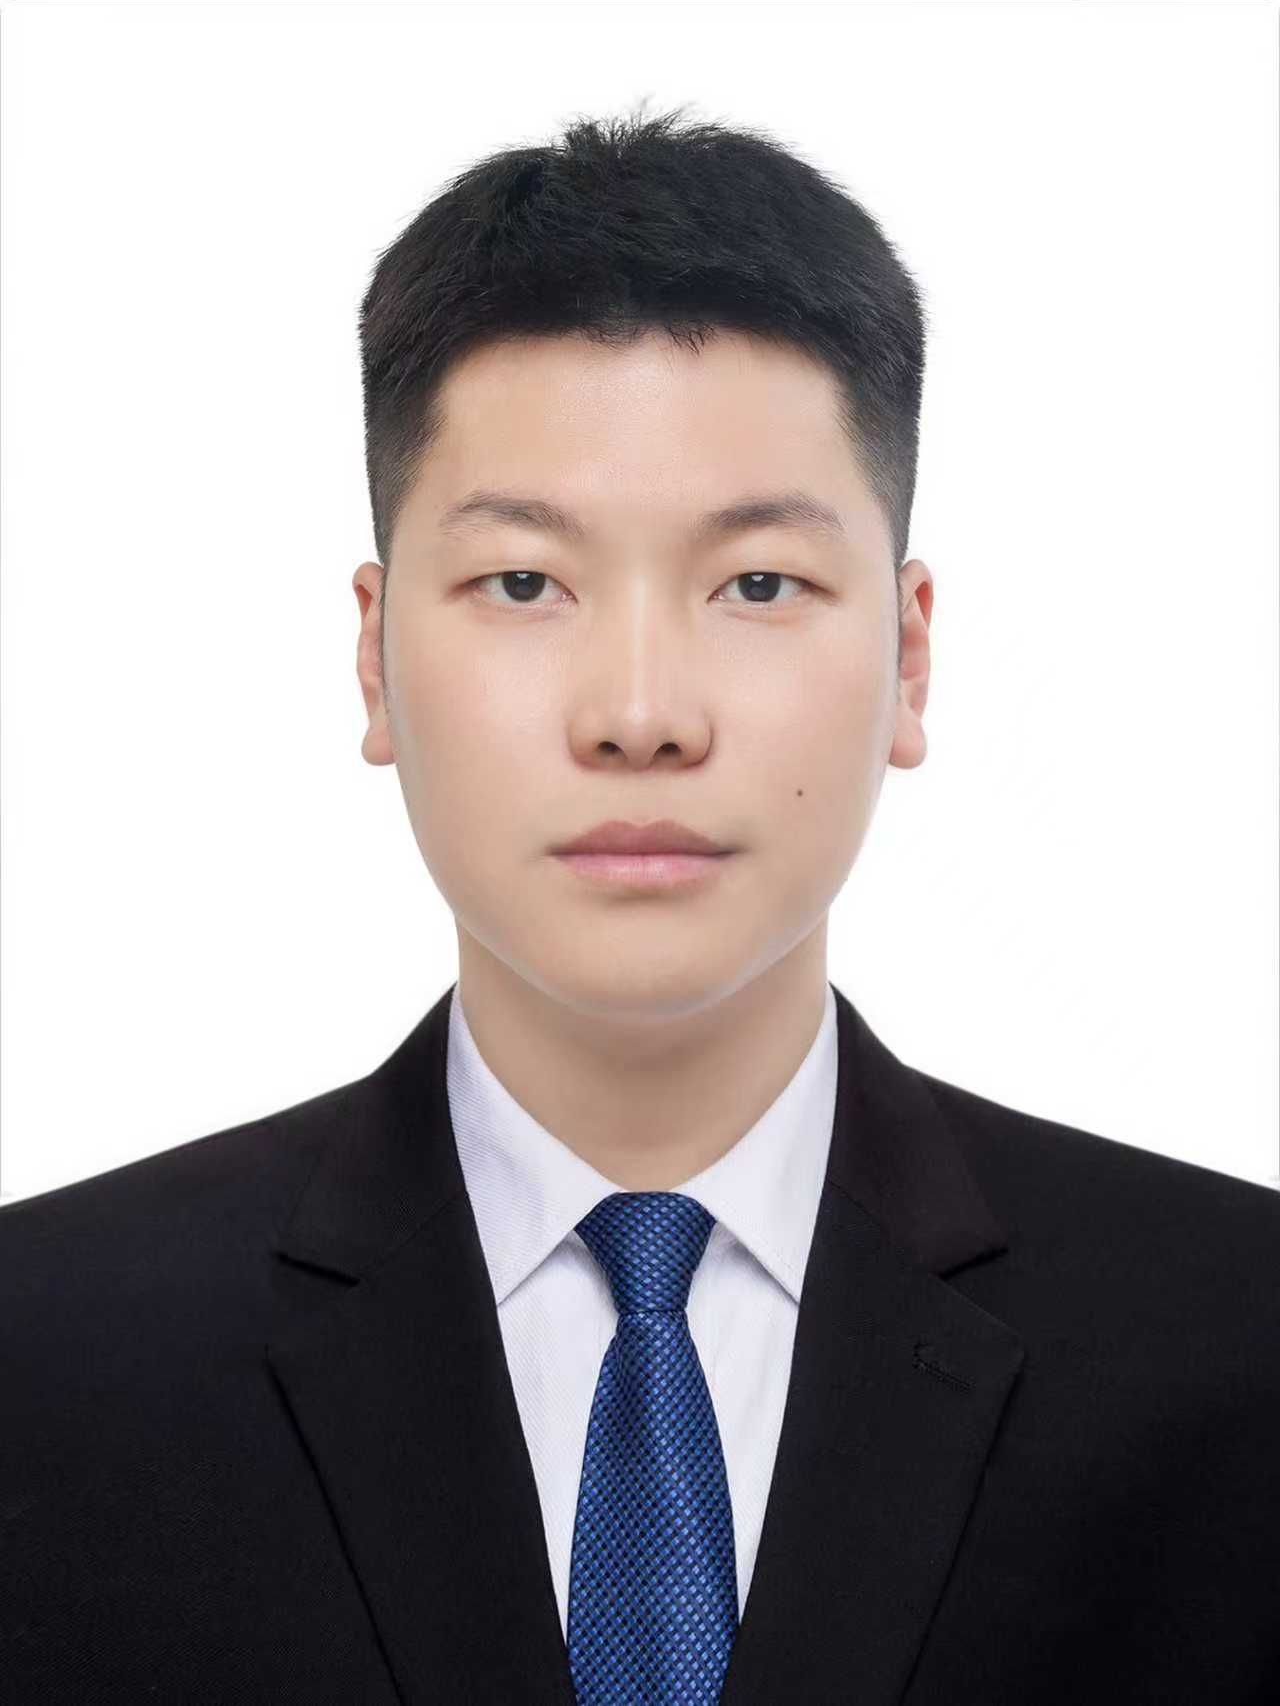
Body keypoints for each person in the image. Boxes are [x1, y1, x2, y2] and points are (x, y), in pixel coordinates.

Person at [2, 103, 1277, 1706]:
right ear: (375, 656)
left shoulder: (1235, 1344)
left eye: (759, 584)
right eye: (524, 583)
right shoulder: (48, 1354)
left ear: (910, 655)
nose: (641, 713)